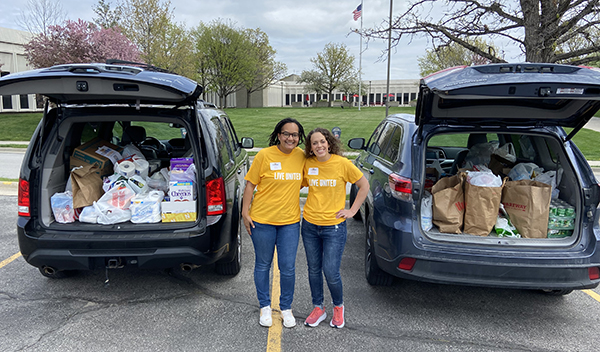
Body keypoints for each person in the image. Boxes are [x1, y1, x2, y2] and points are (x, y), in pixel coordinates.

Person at [301, 127, 369, 329]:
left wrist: (352, 210)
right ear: (310, 148)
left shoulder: (342, 164)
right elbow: (297, 184)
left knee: (330, 271)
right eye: (315, 143)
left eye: (322, 141)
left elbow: (364, 185)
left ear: (329, 143)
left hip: (334, 227)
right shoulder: (308, 164)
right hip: (310, 225)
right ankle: (318, 307)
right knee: (313, 269)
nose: (319, 145)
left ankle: (338, 307)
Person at [242, 117, 306, 329]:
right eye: (286, 133)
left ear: (299, 138)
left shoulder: (302, 157)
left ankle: (286, 308)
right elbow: (250, 185)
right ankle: (265, 306)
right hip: (262, 220)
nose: (290, 138)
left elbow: (316, 177)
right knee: (263, 264)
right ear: (278, 135)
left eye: (294, 135)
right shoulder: (264, 155)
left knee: (287, 267)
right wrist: (245, 212)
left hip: (289, 222)